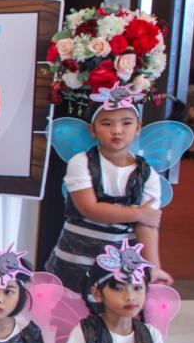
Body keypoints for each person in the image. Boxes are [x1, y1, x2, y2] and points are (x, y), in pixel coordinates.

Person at [46, 85, 173, 288]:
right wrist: (138, 214)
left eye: (126, 123)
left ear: (138, 128)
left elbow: (147, 224)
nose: (117, 130)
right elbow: (89, 208)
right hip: (75, 259)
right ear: (93, 129)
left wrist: (154, 267)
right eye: (106, 123)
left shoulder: (147, 174)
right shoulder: (81, 162)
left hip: (120, 266)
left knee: (115, 305)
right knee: (70, 304)